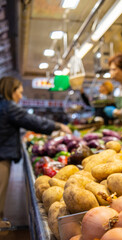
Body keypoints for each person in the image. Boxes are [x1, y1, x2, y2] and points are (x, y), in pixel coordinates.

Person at [0, 76, 71, 227]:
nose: (21, 95)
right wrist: (58, 126)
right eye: (19, 91)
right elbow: (32, 121)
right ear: (10, 91)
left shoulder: (3, 105)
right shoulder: (8, 106)